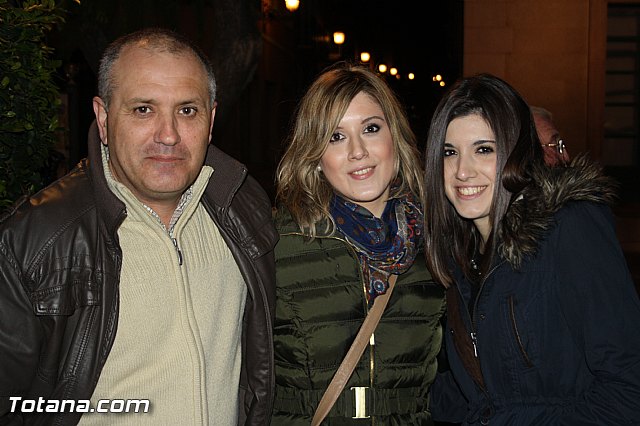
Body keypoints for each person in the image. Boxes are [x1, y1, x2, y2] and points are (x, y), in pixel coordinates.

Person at [0, 28, 278, 425]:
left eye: (187, 110)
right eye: (143, 109)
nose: (168, 135)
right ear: (103, 115)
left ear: (211, 119)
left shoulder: (244, 208)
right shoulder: (34, 240)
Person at [424, 73, 640, 425]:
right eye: (450, 152)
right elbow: (479, 397)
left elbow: (629, 390)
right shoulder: (462, 259)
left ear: (517, 153)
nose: (463, 171)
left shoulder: (568, 228)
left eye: (484, 149)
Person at [271, 62, 446, 425]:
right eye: (336, 137)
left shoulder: (436, 245)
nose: (357, 151)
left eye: (370, 129)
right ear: (316, 156)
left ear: (393, 138)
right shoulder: (278, 244)